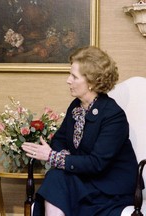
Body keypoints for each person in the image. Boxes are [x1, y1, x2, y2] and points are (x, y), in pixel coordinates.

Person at [22, 46, 138, 216]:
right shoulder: (76, 107)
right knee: (55, 177)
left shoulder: (114, 116)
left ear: (91, 82)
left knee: (56, 180)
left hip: (109, 188)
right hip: (85, 180)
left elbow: (97, 163)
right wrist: (62, 155)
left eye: (74, 76)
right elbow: (59, 139)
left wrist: (53, 157)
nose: (68, 80)